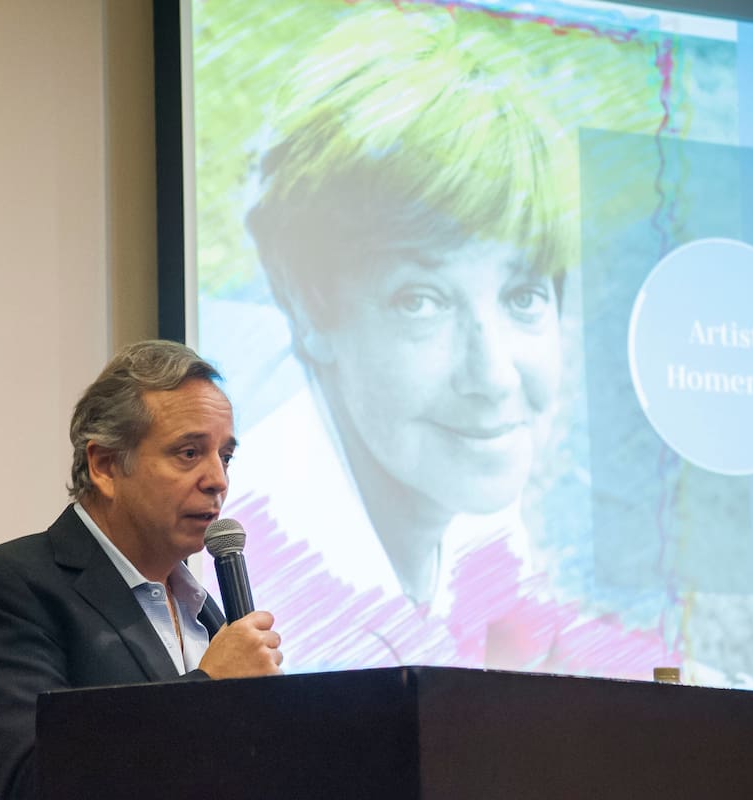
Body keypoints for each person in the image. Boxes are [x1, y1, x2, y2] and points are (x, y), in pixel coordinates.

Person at [213, 6, 669, 676]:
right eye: (421, 301)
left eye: (523, 296)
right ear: (307, 303)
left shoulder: (467, 507)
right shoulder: (258, 558)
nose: (492, 376)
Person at [0, 340, 283, 800]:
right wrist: (209, 689)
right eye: (189, 453)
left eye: (225, 456)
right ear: (106, 465)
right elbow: (25, 785)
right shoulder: (0, 590)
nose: (218, 479)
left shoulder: (205, 613)